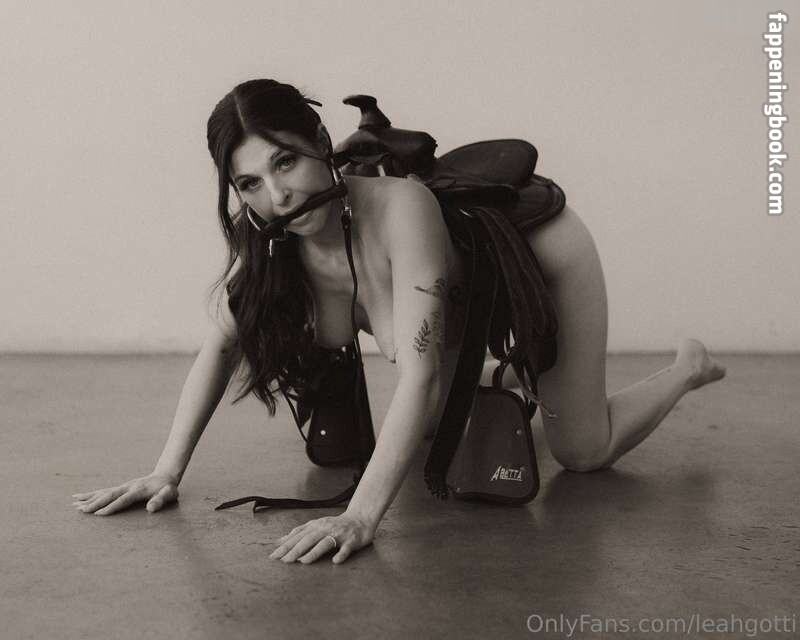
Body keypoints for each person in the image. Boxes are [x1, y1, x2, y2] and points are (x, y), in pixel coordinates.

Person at [71, 79, 727, 565]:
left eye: (285, 161)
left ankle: (687, 367)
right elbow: (219, 346)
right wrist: (166, 472)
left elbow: (417, 373)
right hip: (452, 311)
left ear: (321, 144)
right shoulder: (269, 239)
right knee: (430, 424)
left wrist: (360, 518)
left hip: (545, 256)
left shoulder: (402, 210)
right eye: (250, 183)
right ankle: (505, 379)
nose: (278, 194)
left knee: (582, 452)